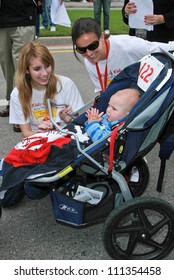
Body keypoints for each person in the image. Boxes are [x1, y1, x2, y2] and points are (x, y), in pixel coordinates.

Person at [0, 87, 139, 206]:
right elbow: (85, 127)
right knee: (40, 142)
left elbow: (101, 139)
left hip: (81, 147)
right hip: (75, 137)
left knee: (46, 154)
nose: (108, 110)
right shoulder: (109, 118)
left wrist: (92, 123)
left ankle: (18, 165)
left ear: (127, 114)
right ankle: (15, 160)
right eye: (108, 105)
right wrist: (73, 121)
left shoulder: (117, 127)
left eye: (113, 108)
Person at [71, 17, 174, 94]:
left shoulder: (128, 45)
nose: (89, 53)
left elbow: (163, 48)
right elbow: (103, 92)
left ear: (102, 37)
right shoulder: (88, 60)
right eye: (81, 49)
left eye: (93, 45)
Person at [9, 41, 84, 138]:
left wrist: (69, 120)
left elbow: (78, 125)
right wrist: (40, 134)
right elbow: (26, 133)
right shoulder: (18, 93)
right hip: (38, 141)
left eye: (47, 66)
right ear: (26, 70)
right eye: (37, 69)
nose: (44, 73)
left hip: (66, 139)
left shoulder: (66, 84)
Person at [0, 0, 37, 132]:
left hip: (23, 16)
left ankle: (22, 108)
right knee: (6, 64)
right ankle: (12, 101)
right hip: (2, 19)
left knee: (22, 66)